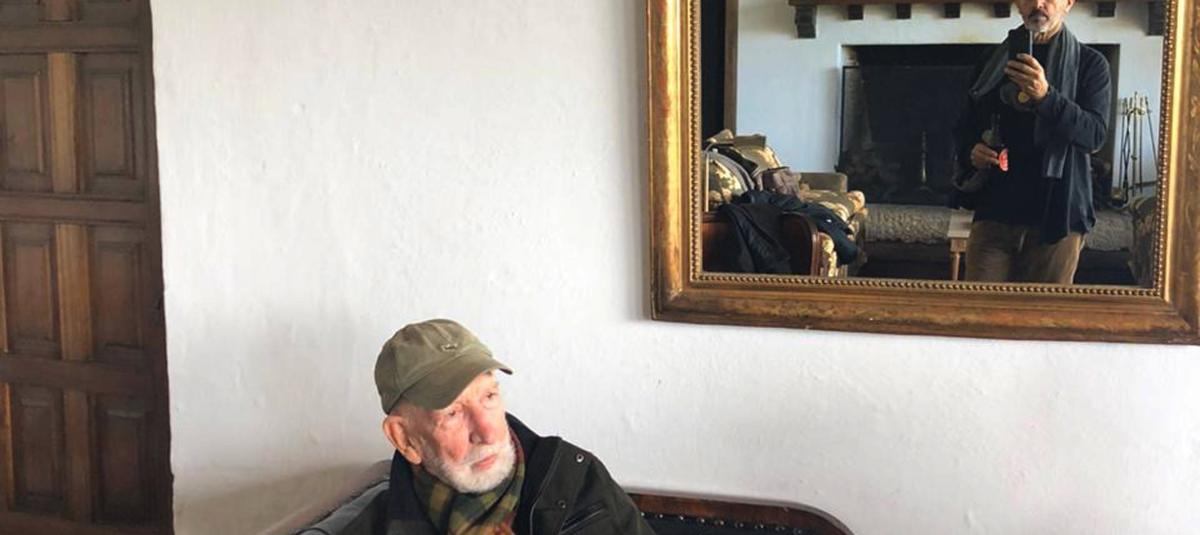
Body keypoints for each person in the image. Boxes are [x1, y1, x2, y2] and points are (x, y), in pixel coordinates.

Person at [374, 319, 655, 535]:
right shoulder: (368, 524)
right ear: (404, 438)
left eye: (489, 396)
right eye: (453, 413)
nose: (489, 433)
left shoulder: (575, 480)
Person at [952, 0, 1111, 283]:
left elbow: (1094, 136)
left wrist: (1046, 97)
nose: (1038, 4)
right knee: (979, 309)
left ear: (1068, 3)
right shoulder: (991, 62)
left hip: (1057, 218)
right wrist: (971, 152)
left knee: (1045, 311)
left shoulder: (1091, 64)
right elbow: (965, 129)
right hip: (994, 213)